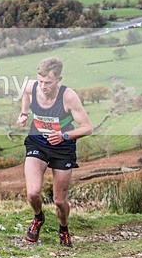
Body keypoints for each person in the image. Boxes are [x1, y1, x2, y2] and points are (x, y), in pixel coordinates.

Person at [16, 57, 93, 248]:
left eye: (48, 82)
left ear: (59, 79)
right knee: (33, 193)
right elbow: (25, 91)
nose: (43, 86)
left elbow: (87, 128)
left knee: (59, 201)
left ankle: (63, 228)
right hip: (38, 142)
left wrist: (64, 136)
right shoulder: (32, 86)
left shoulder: (68, 97)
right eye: (41, 81)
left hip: (62, 148)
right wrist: (24, 112)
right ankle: (38, 217)